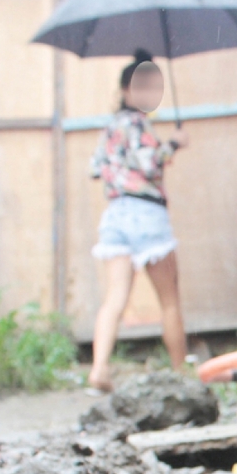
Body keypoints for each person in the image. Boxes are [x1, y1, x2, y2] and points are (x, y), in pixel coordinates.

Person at [86, 49, 189, 393]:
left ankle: (99, 368)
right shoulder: (138, 124)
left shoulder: (110, 128)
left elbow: (95, 169)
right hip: (146, 214)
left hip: (115, 214)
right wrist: (173, 144)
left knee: (114, 297)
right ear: (128, 90)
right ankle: (181, 374)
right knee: (169, 299)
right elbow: (150, 164)